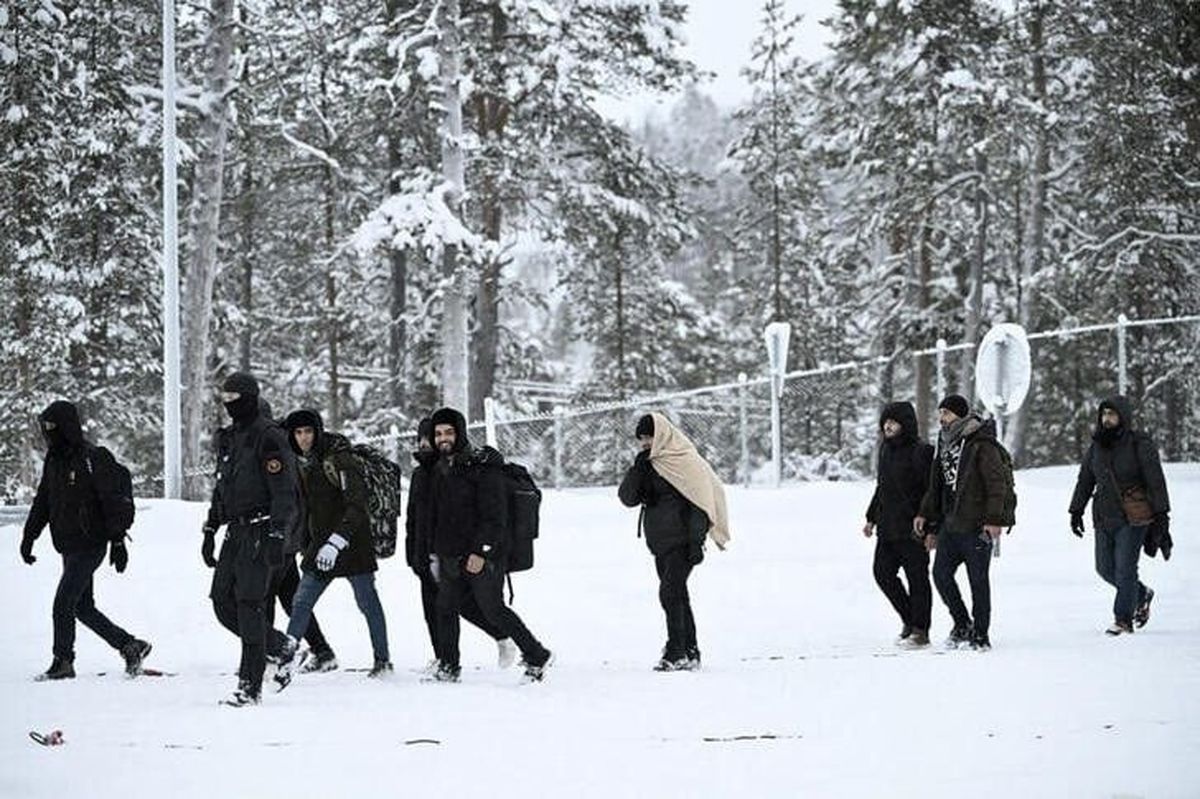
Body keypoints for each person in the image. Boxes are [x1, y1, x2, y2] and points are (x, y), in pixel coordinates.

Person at [20, 401, 151, 680]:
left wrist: (117, 541)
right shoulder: (54, 460)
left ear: (67, 426)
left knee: (63, 602)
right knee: (82, 606)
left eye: (53, 427)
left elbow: (112, 502)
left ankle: (63, 661)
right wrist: (29, 536)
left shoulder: (93, 458)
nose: (48, 433)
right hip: (68, 544)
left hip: (91, 543)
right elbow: (44, 500)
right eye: (45, 428)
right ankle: (130, 645)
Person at [204, 403, 337, 674]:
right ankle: (316, 651)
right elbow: (226, 492)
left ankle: (272, 655)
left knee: (260, 601)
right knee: (286, 600)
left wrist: (284, 540)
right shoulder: (255, 447)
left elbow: (291, 502)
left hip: (276, 539)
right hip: (281, 540)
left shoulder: (275, 448)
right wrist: (211, 527)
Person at [426, 407, 552, 683]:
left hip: (483, 555)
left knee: (493, 609)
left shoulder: (482, 468)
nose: (443, 438)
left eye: (448, 432)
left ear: (459, 433)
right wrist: (435, 551)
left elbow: (495, 517)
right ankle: (448, 666)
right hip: (450, 554)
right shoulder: (440, 468)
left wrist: (480, 551)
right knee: (446, 607)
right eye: (438, 434)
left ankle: (536, 654)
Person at [201, 373, 301, 706]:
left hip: (261, 529)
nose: (229, 405)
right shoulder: (230, 438)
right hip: (235, 531)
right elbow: (222, 487)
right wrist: (210, 528)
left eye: (235, 398)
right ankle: (281, 647)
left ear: (249, 397)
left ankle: (249, 686)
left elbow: (285, 491)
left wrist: (277, 534)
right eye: (224, 398)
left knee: (249, 604)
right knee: (221, 601)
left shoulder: (269, 437)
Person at [274, 409, 391, 687]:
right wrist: (310, 543)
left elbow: (357, 505)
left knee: (367, 602)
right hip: (319, 546)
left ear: (318, 431)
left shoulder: (339, 459)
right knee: (301, 602)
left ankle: (383, 660)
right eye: (298, 433)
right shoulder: (300, 462)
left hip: (352, 544)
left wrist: (336, 542)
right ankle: (288, 659)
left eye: (308, 432)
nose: (303, 438)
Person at [618, 413, 730, 671]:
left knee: (669, 593)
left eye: (649, 437)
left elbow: (700, 502)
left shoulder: (686, 461)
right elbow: (628, 498)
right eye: (642, 439)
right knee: (678, 595)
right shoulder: (650, 464)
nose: (645, 443)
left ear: (662, 435)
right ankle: (690, 652)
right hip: (660, 542)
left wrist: (695, 540)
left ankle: (675, 650)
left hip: (683, 541)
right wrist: (639, 468)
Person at [405, 417, 515, 671]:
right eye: (422, 439)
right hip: (426, 552)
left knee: (455, 606)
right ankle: (443, 658)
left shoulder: (447, 471)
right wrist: (413, 553)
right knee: (434, 609)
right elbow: (414, 517)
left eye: (427, 438)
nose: (424, 443)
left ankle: (486, 644)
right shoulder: (422, 472)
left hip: (448, 552)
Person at [1068, 395, 1171, 635]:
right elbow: (1085, 480)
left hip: (1133, 516)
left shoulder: (1139, 443)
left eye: (1112, 414)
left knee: (1125, 569)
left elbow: (1156, 481)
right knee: (1104, 568)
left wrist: (1162, 516)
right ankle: (1142, 593)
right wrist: (1076, 510)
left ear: (1123, 416)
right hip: (1104, 516)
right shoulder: (1097, 446)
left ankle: (1123, 619)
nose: (1107, 419)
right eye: (1104, 414)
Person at [914, 394, 1008, 651]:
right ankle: (962, 623)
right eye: (940, 413)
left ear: (960, 415)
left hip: (977, 526)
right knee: (941, 575)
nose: (941, 418)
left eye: (946, 413)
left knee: (978, 581)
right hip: (950, 525)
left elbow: (996, 483)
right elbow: (936, 485)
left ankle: (981, 634)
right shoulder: (943, 443)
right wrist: (926, 515)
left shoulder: (980, 442)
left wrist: (994, 519)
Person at [863, 402, 934, 647]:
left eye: (893, 421)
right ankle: (909, 619)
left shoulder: (921, 451)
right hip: (887, 527)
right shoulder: (886, 450)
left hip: (913, 528)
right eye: (885, 421)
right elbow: (882, 487)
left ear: (905, 423)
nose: (888, 426)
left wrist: (929, 524)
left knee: (918, 579)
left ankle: (920, 630)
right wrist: (871, 517)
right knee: (882, 573)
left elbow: (931, 491)